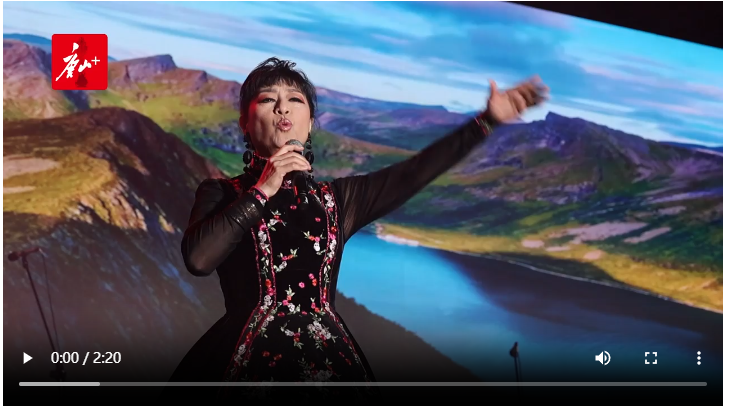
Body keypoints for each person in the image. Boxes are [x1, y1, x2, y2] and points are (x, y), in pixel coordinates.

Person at [168, 57, 548, 403]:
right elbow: (199, 260)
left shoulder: (338, 201)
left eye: (295, 99)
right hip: (241, 361)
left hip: (330, 365)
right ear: (245, 124)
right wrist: (263, 190)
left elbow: (414, 173)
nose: (283, 107)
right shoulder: (222, 193)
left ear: (310, 123)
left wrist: (486, 121)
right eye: (268, 99)